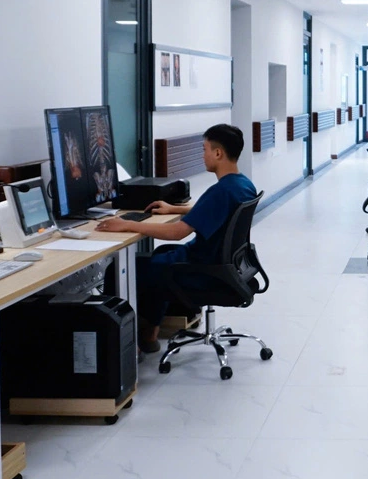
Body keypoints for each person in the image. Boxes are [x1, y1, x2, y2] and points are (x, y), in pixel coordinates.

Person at [95, 124, 257, 352]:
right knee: (159, 256)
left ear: (218, 153)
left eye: (204, 149)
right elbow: (214, 211)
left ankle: (120, 347)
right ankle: (150, 334)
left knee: (129, 269)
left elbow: (178, 232)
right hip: (223, 265)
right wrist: (175, 209)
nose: (203, 155)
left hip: (202, 270)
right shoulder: (241, 184)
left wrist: (127, 224)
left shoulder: (221, 191)